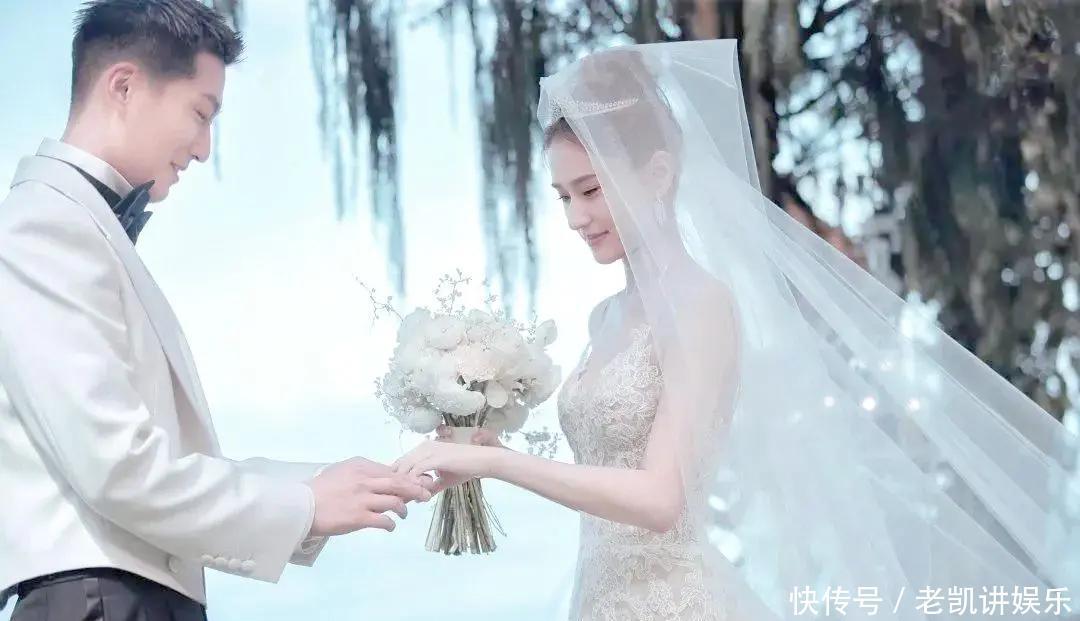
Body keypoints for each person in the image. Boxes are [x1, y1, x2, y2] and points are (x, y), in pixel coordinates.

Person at [395, 41, 1080, 620]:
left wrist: (498, 465)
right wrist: (484, 444)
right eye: (564, 195)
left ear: (657, 173)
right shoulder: (603, 318)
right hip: (600, 598)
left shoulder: (701, 305)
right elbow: (604, 474)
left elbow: (661, 499)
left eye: (593, 190)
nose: (576, 217)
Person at [0, 2, 430, 619]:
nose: (204, 149)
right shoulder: (46, 224)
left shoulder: (78, 226)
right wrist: (306, 506)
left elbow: (164, 460)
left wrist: (330, 485)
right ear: (124, 86)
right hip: (101, 601)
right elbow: (119, 467)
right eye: (200, 114)